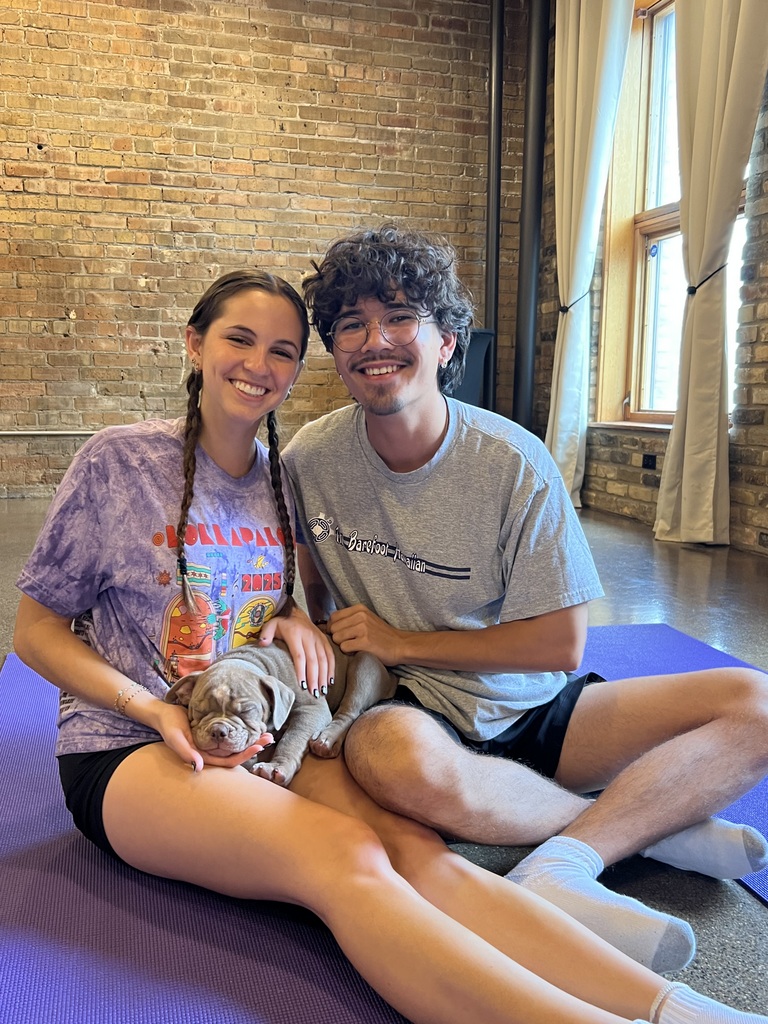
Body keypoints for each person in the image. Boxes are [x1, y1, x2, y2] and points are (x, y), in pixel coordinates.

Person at [14, 268, 767, 1024]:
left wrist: (294, 618)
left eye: (282, 350)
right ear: (194, 344)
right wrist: (153, 710)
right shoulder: (120, 461)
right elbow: (35, 631)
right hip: (133, 744)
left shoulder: (281, 480)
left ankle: (676, 1010)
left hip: (261, 728)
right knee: (347, 859)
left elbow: (263, 599)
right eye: (239, 339)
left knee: (417, 853)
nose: (258, 364)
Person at [283, 224, 768, 976]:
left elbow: (559, 648)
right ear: (336, 351)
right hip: (414, 713)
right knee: (383, 753)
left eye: (401, 317)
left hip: (533, 708)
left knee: (756, 704)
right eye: (352, 324)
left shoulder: (513, 462)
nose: (376, 340)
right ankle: (644, 830)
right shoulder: (310, 460)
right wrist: (308, 626)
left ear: (447, 342)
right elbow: (304, 587)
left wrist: (401, 640)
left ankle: (566, 858)